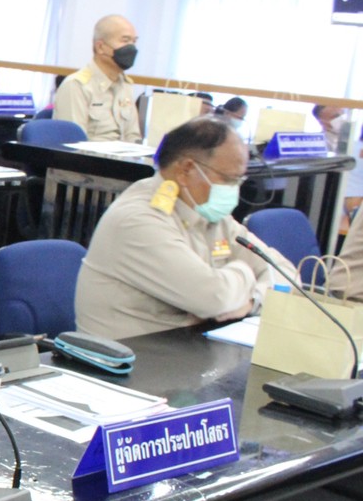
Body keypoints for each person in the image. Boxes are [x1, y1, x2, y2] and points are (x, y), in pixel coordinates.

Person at [75, 116, 273, 341]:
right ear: (187, 169)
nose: (234, 190)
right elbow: (212, 298)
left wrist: (251, 301)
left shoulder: (209, 212)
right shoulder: (138, 220)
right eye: (229, 179)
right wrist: (244, 272)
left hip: (186, 353)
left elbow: (280, 271)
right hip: (130, 363)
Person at [52, 15, 142, 142]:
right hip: (90, 160)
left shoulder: (125, 85)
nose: (132, 48)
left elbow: (133, 138)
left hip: (122, 160)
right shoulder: (77, 85)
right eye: (125, 40)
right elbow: (72, 143)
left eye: (134, 41)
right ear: (100, 47)